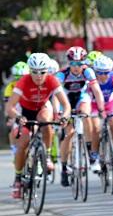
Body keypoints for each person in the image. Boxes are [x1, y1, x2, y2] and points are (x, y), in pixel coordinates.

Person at [5, 53, 70, 198]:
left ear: (47, 71)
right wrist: (17, 117)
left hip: (42, 108)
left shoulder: (52, 80)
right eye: (34, 71)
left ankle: (46, 155)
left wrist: (64, 116)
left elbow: (65, 105)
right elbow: (10, 106)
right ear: (30, 71)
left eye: (42, 72)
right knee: (22, 143)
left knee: (46, 121)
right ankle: (17, 178)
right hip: (25, 111)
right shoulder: (23, 81)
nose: (38, 76)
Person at [55, 46, 106, 185]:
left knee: (86, 113)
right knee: (69, 133)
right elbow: (55, 96)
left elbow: (96, 91)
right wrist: (57, 112)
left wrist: (101, 108)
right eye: (73, 64)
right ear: (68, 63)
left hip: (81, 98)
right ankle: (64, 167)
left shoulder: (88, 72)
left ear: (84, 62)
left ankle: (89, 148)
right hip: (65, 100)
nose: (76, 67)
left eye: (79, 64)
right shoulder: (62, 74)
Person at [4, 61, 30, 160]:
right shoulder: (10, 87)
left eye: (23, 77)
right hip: (16, 108)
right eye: (17, 77)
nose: (20, 80)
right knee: (13, 128)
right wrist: (10, 118)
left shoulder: (32, 83)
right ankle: (14, 149)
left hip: (29, 107)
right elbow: (8, 105)